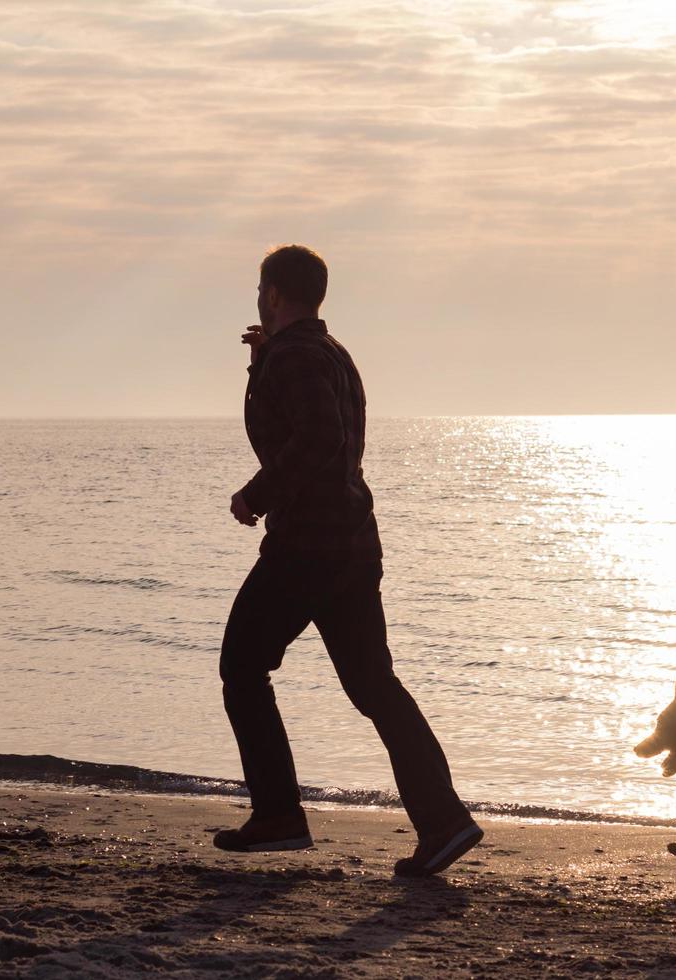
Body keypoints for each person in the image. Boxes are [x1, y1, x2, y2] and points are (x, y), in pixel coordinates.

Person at [214, 243, 482, 876]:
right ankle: (444, 822)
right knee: (372, 686)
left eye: (261, 289)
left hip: (309, 544)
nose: (257, 298)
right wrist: (262, 366)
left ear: (274, 293)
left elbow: (318, 439)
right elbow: (305, 428)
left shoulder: (299, 355)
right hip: (351, 545)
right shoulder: (323, 351)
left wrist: (257, 494)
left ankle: (279, 815)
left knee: (242, 667)